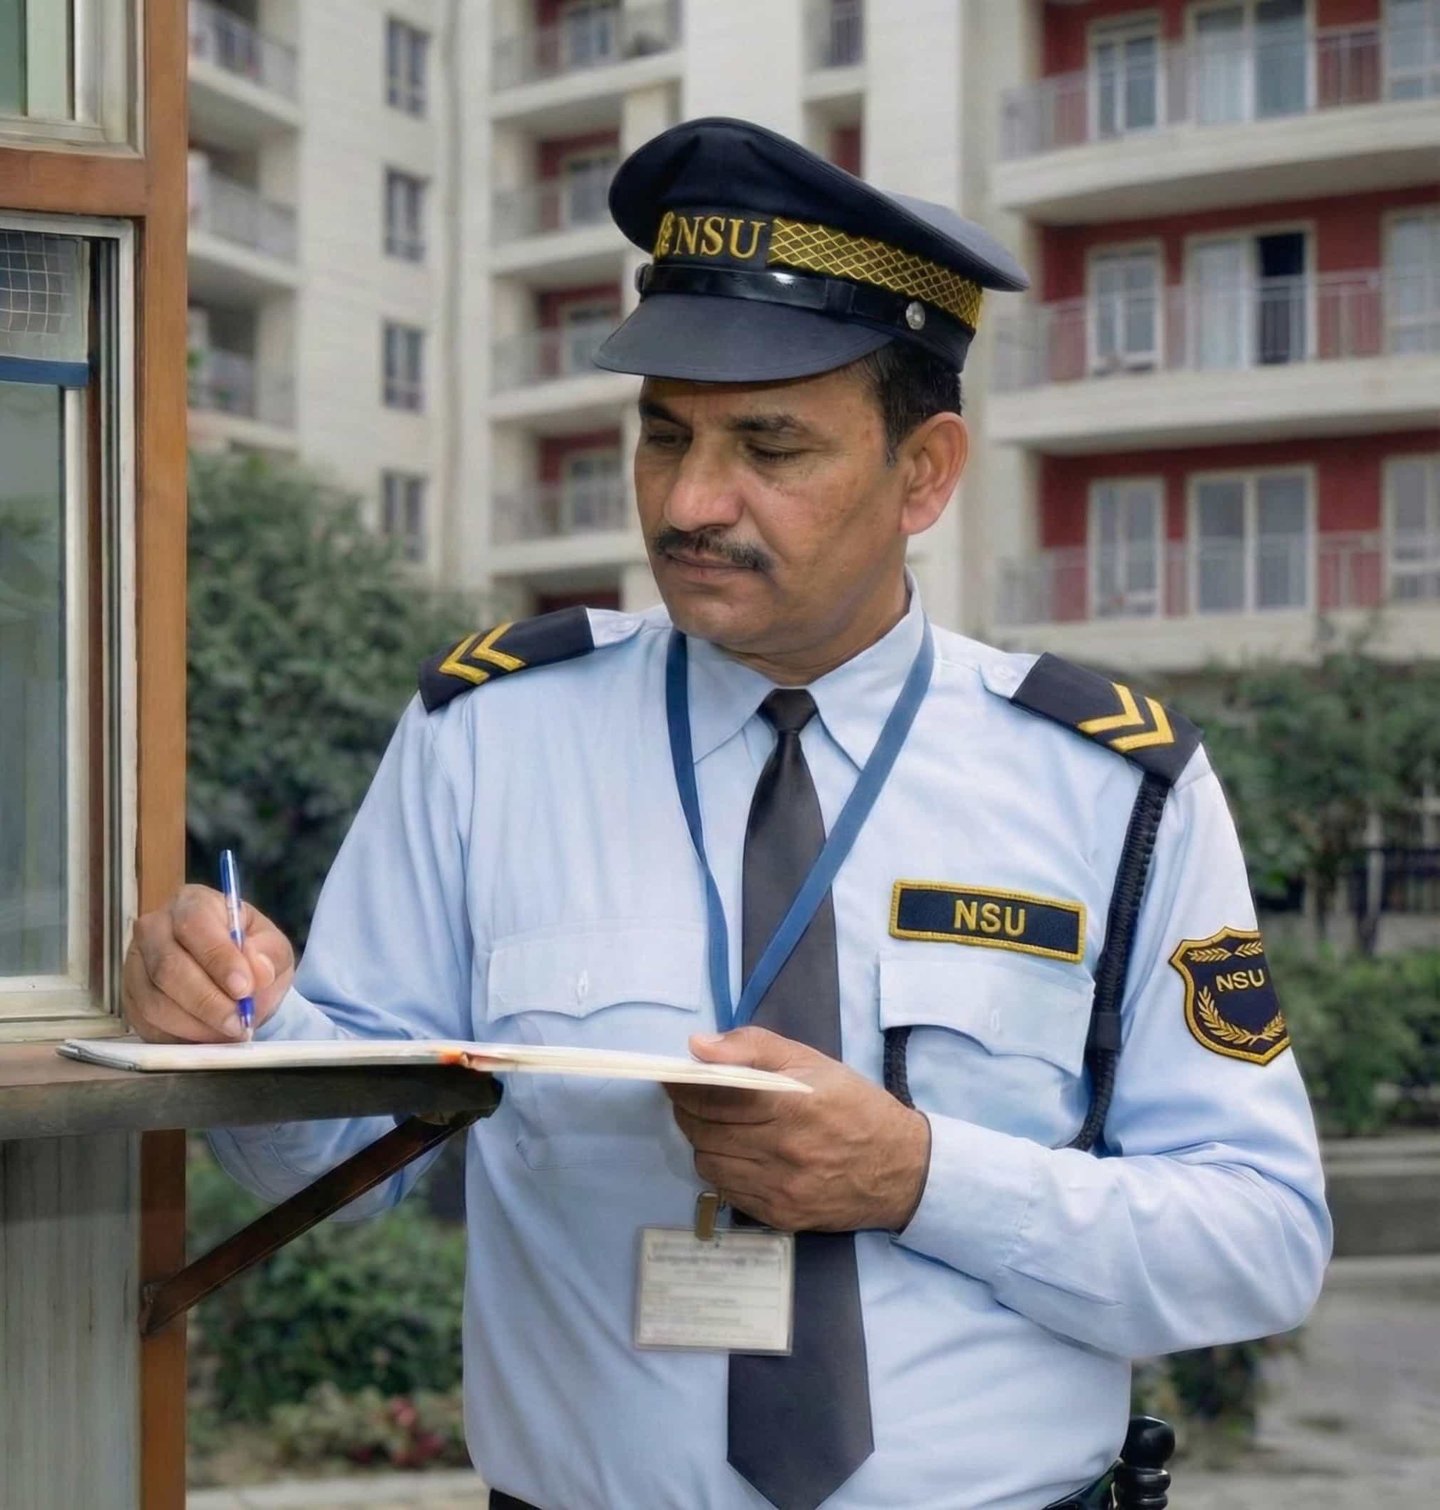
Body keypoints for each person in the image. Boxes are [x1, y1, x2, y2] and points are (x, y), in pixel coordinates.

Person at [124, 118, 1330, 1510]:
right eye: (665, 434)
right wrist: (237, 1021)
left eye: (771, 444)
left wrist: (919, 1175)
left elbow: (1260, 1239)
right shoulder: (490, 736)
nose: (693, 501)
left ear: (924, 472)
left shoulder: (1115, 788)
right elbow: (333, 1152)